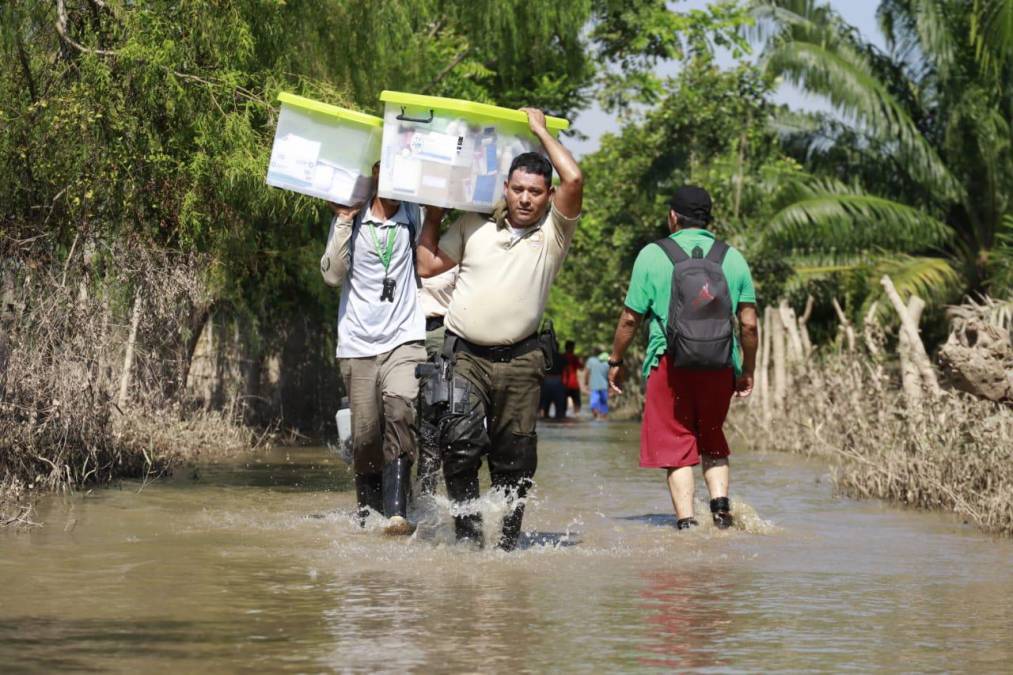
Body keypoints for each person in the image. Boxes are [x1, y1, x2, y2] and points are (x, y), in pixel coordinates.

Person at [416, 108, 583, 550]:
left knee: (515, 456)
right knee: (460, 445)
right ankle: (469, 539)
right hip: (466, 356)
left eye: (535, 192)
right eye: (518, 189)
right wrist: (433, 216)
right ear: (505, 189)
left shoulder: (553, 236)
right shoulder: (473, 225)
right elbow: (427, 265)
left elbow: (576, 180)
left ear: (547, 197)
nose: (525, 198)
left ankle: (507, 542)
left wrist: (541, 132)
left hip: (522, 359)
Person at [607, 186, 758, 531]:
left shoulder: (652, 254)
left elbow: (630, 319)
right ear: (708, 219)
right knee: (712, 437)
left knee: (676, 443)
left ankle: (687, 524)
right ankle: (721, 513)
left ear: (673, 217)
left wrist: (616, 359)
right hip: (720, 364)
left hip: (668, 362)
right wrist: (746, 369)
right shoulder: (732, 258)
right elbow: (748, 324)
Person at [320, 162, 443, 535]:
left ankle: (397, 513)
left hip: (404, 338)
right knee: (366, 436)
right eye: (387, 175)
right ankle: (367, 515)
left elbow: (428, 261)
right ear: (374, 179)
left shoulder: (414, 215)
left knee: (401, 410)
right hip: (357, 344)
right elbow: (331, 275)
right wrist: (342, 219)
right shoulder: (353, 219)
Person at [416, 265, 458, 496]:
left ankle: (426, 500)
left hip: (439, 338)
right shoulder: (398, 246)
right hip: (394, 336)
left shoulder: (452, 255)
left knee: (431, 427)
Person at [583, 350, 610, 419]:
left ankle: (596, 418)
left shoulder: (591, 360)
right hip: (604, 386)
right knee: (603, 405)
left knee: (594, 404)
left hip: (594, 386)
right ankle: (603, 419)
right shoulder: (607, 362)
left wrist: (585, 383)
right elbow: (610, 375)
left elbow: (587, 372)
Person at [561, 340, 583, 416]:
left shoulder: (561, 357)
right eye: (573, 347)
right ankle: (576, 417)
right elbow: (581, 367)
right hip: (574, 384)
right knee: (577, 404)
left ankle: (563, 418)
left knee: (562, 406)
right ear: (571, 347)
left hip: (563, 384)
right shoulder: (574, 357)